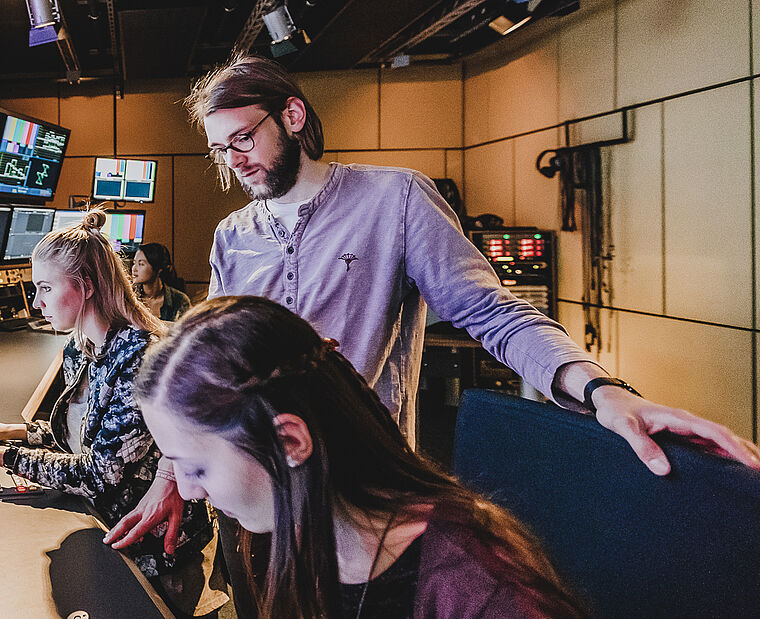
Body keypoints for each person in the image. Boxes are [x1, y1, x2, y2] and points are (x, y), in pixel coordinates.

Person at [107, 53, 760, 615]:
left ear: (294, 116)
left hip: (364, 512)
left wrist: (600, 392)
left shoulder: (395, 200)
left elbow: (493, 313)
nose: (234, 161)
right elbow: (209, 384)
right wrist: (175, 468)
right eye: (221, 149)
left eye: (243, 138)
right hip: (260, 508)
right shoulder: (233, 237)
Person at [137, 296, 591, 619]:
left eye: (196, 468)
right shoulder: (306, 531)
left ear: (290, 443)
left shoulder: (476, 585)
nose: (191, 491)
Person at [0, 209, 228, 616]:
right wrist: (14, 432)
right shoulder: (81, 347)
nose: (36, 302)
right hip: (112, 533)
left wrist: (5, 458)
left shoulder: (138, 358)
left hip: (160, 556)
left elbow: (99, 473)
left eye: (45, 288)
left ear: (87, 286)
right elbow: (86, 435)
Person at [132, 242, 192, 321]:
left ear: (158, 269)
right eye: (134, 263)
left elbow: (186, 331)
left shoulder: (179, 300)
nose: (134, 269)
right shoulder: (129, 297)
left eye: (141, 264)